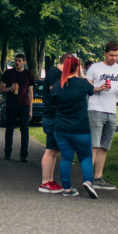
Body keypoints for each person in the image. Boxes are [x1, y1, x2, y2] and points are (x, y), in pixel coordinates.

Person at [50, 55, 99, 198]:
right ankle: (88, 181)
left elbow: (53, 101)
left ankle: (67, 188)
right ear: (78, 68)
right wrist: (82, 74)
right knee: (85, 156)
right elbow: (91, 90)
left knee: (66, 158)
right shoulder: (83, 84)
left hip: (61, 128)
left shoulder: (58, 84)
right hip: (80, 127)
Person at [83, 41, 118, 189]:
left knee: (104, 146)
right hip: (96, 108)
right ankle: (88, 178)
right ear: (105, 53)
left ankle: (98, 177)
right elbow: (86, 88)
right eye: (111, 55)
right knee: (94, 145)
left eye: (116, 55)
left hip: (111, 110)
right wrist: (99, 88)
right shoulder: (95, 68)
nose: (114, 58)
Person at [38, 55, 66, 193]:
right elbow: (56, 92)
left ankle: (50, 180)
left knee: (54, 150)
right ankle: (45, 181)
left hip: (54, 115)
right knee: (50, 150)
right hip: (52, 115)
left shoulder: (55, 72)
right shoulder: (55, 73)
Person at [1, 53, 35, 162]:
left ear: (24, 62)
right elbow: (1, 89)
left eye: (19, 60)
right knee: (10, 128)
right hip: (11, 105)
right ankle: (7, 152)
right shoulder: (8, 73)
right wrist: (11, 88)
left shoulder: (29, 74)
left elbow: (30, 92)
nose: (17, 62)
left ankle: (24, 154)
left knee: (24, 129)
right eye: (16, 60)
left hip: (24, 105)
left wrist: (31, 109)